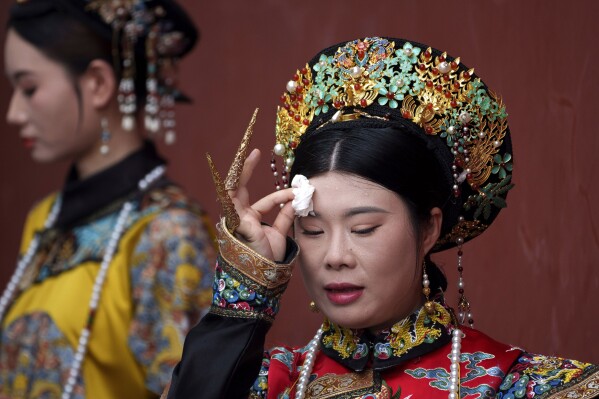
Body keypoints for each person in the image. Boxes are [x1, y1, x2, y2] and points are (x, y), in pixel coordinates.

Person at [165, 37, 598, 399]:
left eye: (363, 229)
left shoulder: (525, 386)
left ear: (427, 228)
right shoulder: (265, 384)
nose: (335, 256)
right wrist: (246, 288)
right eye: (312, 230)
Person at [1, 1, 216, 398]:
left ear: (98, 83)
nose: (14, 112)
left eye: (29, 88)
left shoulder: (167, 234)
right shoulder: (45, 218)